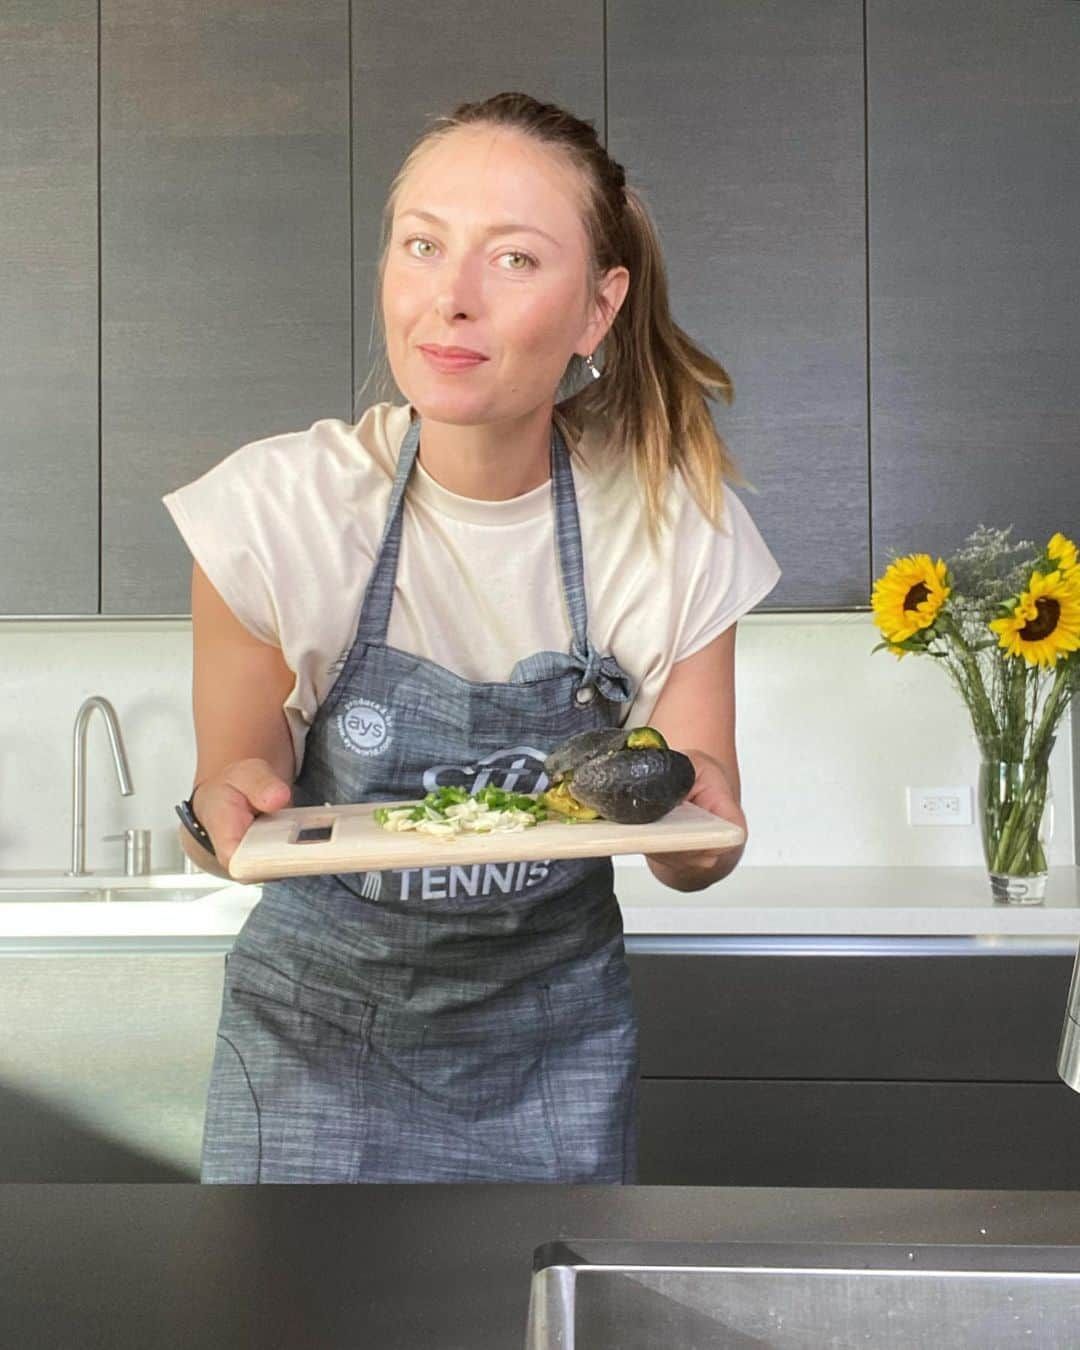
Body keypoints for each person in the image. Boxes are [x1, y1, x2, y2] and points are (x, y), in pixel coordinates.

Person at [163, 91, 781, 1185]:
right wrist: (226, 810)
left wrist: (701, 826)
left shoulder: (671, 526)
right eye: (421, 246)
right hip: (315, 1044)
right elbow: (242, 766)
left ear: (598, 309)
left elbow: (695, 813)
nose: (446, 300)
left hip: (552, 1047)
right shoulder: (269, 514)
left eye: (511, 261)